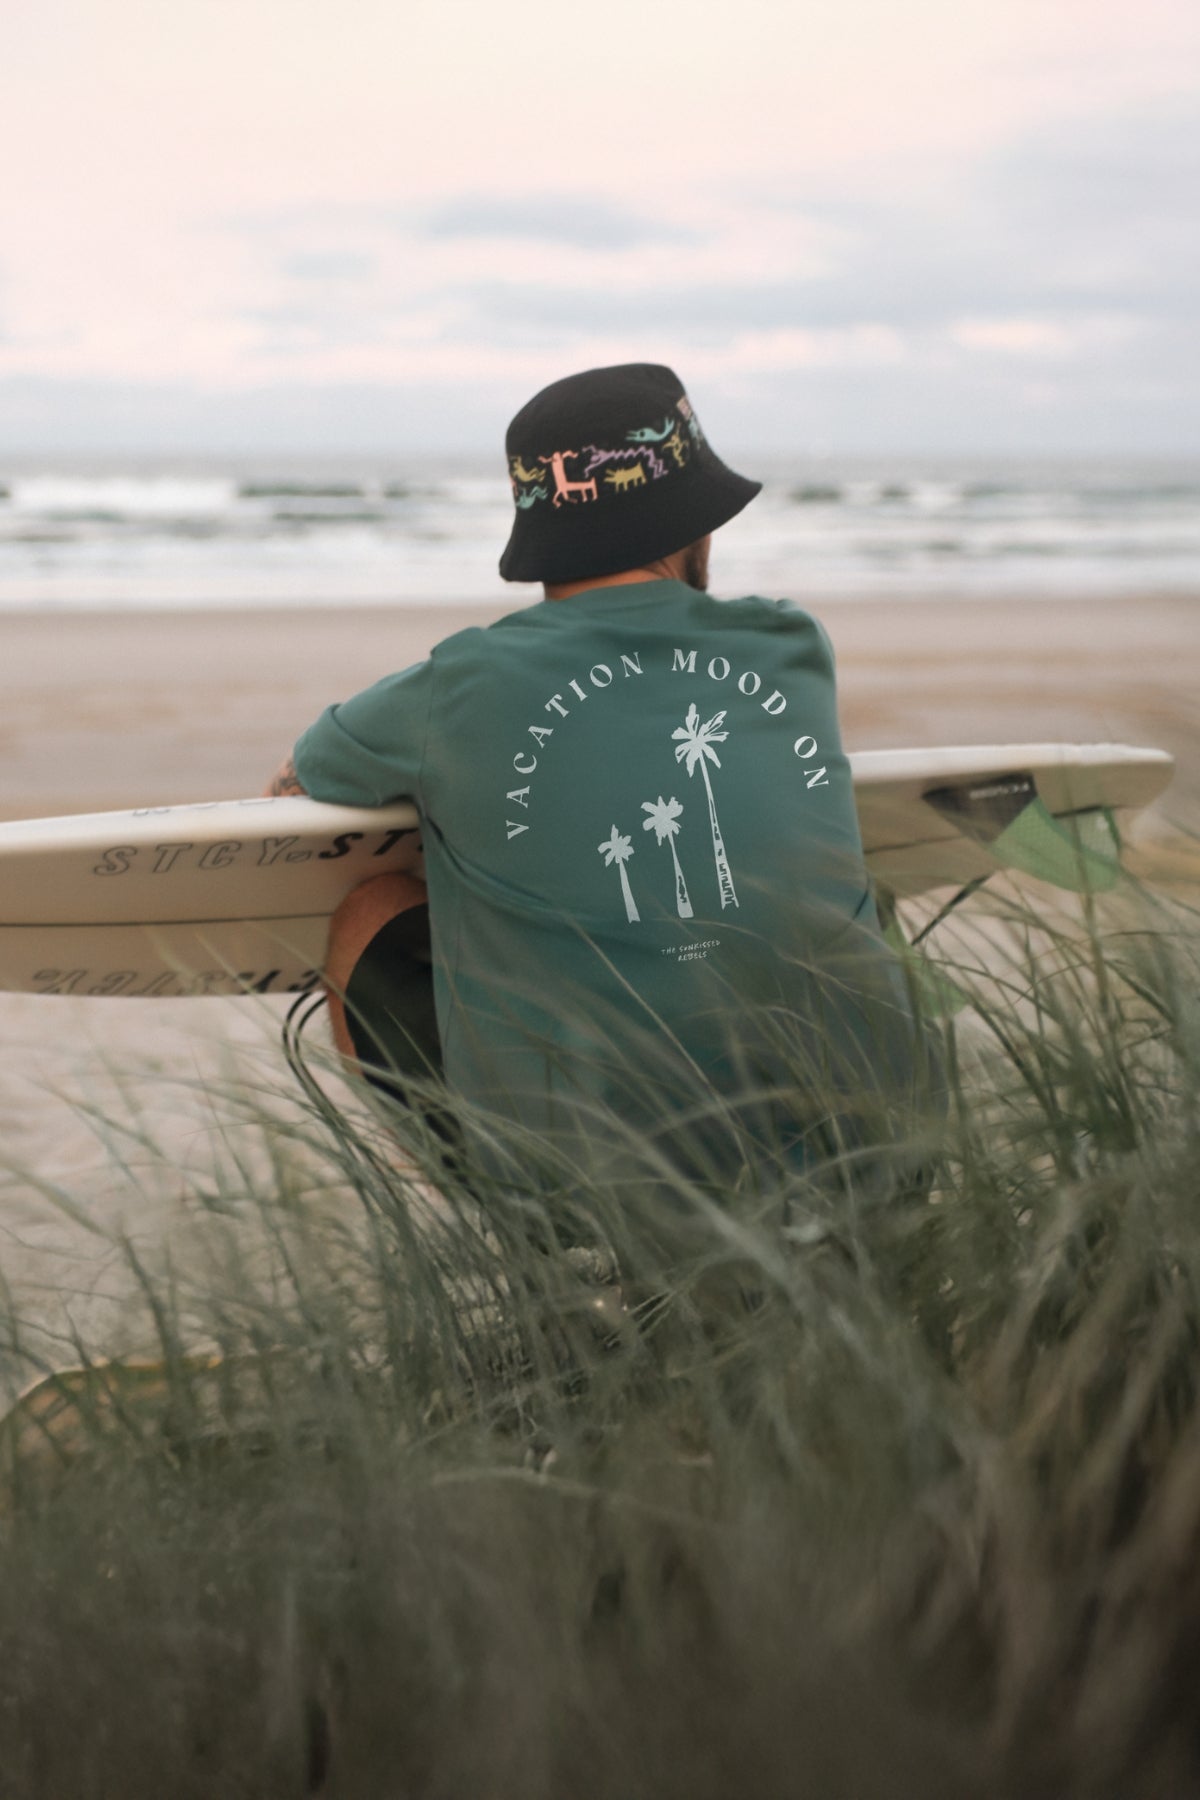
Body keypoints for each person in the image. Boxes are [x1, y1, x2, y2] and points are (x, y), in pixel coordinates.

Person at [267, 363, 920, 1201]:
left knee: (373, 907)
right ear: (692, 527)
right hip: (870, 1157)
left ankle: (490, 1211)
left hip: (594, 1194)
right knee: (862, 889)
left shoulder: (458, 686)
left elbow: (295, 789)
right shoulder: (794, 644)